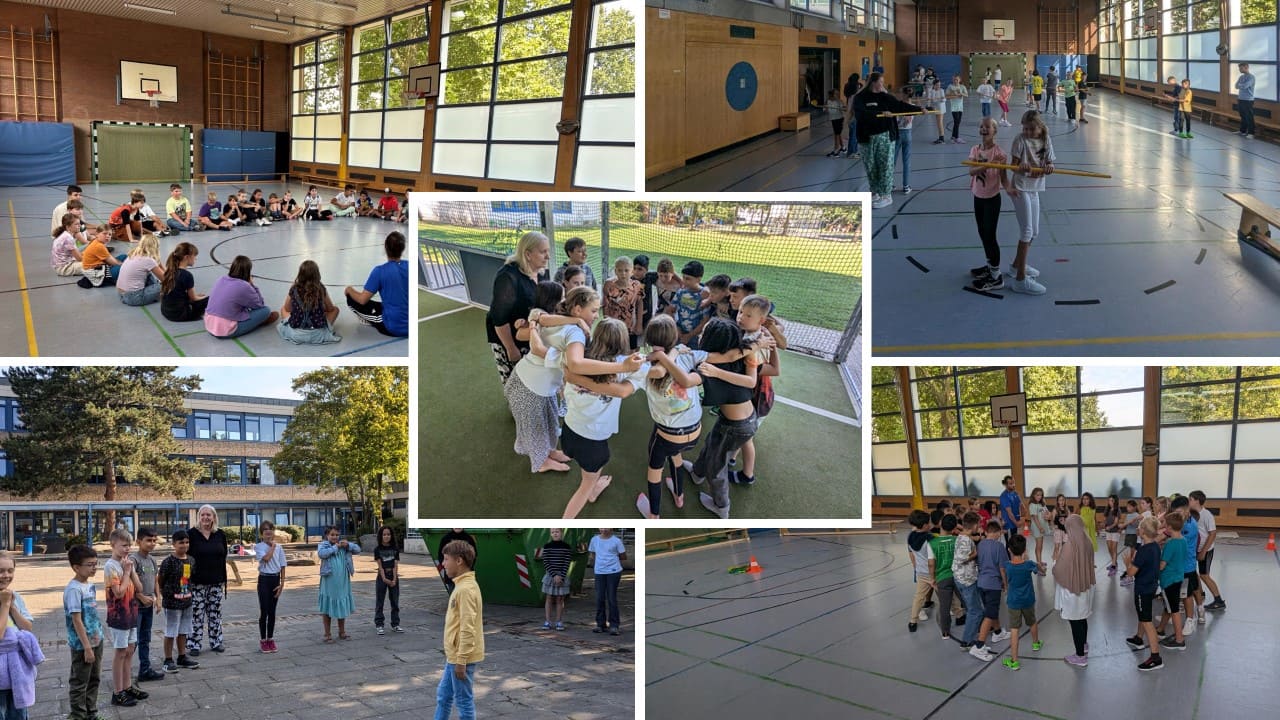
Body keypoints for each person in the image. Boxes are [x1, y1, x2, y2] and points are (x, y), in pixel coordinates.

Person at [515, 285, 636, 474]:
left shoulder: (556, 320)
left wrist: (534, 323)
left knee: (546, 423)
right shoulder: (575, 332)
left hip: (537, 383)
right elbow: (576, 364)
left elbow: (529, 333)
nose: (597, 315)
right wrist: (623, 367)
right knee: (535, 428)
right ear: (578, 310)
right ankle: (541, 462)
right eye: (594, 310)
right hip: (530, 385)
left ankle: (548, 452)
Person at [560, 319, 651, 518]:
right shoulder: (628, 366)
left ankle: (592, 488)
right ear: (623, 342)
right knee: (587, 483)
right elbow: (623, 391)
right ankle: (566, 520)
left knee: (589, 471)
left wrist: (575, 379)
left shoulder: (577, 359)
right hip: (592, 442)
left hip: (568, 432)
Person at [486, 232, 550, 382]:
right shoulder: (508, 276)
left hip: (528, 331)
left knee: (532, 376)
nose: (548, 256)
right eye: (543, 252)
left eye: (548, 251)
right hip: (507, 337)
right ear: (527, 254)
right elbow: (499, 317)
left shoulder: (541, 272)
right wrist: (510, 348)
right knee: (514, 378)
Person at [853, 72, 920, 209]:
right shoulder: (860, 98)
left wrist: (919, 109)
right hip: (866, 137)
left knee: (885, 166)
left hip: (885, 136)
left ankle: (886, 195)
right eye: (880, 82)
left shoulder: (885, 97)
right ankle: (875, 192)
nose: (882, 85)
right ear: (873, 82)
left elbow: (900, 106)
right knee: (871, 166)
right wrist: (880, 114)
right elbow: (861, 114)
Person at [1006, 110, 1055, 295]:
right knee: (1026, 231)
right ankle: (1020, 279)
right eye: (1024, 128)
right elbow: (1013, 166)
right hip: (1020, 187)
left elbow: (1049, 162)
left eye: (1031, 128)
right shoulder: (1020, 140)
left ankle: (1015, 267)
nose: (1027, 132)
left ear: (1040, 127)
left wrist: (1049, 167)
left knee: (1035, 232)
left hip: (1035, 188)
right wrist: (1021, 167)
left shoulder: (1046, 139)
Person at [436, 540, 484, 720]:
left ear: (459, 561)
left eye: (446, 559)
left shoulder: (465, 590)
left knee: (463, 701)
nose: (443, 563)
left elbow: (467, 628)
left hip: (461, 657)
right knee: (443, 695)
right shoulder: (461, 586)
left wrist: (461, 660)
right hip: (454, 656)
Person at [102, 529, 147, 708]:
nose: (127, 549)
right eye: (123, 545)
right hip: (118, 616)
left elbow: (140, 588)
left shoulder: (128, 563)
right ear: (113, 545)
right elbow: (119, 593)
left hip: (131, 613)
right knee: (120, 653)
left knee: (129, 651)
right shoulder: (110, 566)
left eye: (129, 545)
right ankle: (117, 691)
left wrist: (131, 570)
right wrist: (127, 572)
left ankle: (127, 686)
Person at [345, 230, 409, 338]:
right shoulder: (409, 265)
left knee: (351, 299)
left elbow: (362, 300)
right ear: (403, 249)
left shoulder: (379, 271)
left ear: (385, 248)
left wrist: (349, 290)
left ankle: (369, 319)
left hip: (393, 326)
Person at [65, 544, 104, 720]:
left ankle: (91, 713)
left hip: (97, 640)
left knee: (94, 679)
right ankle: (78, 715)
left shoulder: (89, 585)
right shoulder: (74, 589)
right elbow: (76, 620)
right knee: (80, 682)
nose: (94, 568)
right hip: (83, 645)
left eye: (96, 564)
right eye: (90, 564)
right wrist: (87, 647)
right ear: (76, 567)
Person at [0, 551, 39, 719]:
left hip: (18, 669)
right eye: (1, 570)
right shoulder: (7, 599)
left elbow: (27, 627)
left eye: (10, 570)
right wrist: (5, 604)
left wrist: (13, 607)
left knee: (18, 712)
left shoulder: (15, 597)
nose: (6, 575)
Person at [1123, 517, 1165, 671]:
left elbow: (1131, 573)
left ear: (1144, 532)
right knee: (1143, 614)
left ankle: (1155, 657)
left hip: (1143, 589)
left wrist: (1127, 563)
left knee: (1147, 620)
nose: (1137, 530)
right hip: (1151, 586)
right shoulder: (1155, 546)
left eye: (1139, 528)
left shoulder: (1143, 550)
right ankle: (1138, 638)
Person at [1054, 515, 1096, 667]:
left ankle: (1079, 656)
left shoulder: (1070, 545)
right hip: (1086, 586)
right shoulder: (1088, 541)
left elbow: (1059, 569)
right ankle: (1083, 645)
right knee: (1083, 617)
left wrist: (1054, 568)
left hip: (1073, 589)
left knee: (1075, 621)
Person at [186, 506, 228, 656]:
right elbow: (186, 558)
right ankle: (194, 644)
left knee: (215, 613)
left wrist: (223, 578)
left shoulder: (220, 534)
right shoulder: (191, 534)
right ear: (199, 517)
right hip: (197, 582)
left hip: (216, 581)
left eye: (208, 515)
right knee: (196, 613)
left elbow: (224, 555)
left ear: (214, 517)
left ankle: (216, 641)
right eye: (202, 514)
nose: (205, 517)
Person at [205, 256, 278, 339]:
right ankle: (259, 322)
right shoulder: (244, 286)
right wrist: (252, 284)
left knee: (241, 305)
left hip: (209, 324)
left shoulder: (221, 279)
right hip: (225, 330)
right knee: (266, 311)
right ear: (247, 272)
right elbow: (260, 305)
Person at [157, 530, 199, 673]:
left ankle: (182, 656)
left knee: (183, 630)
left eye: (187, 542)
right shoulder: (168, 562)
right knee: (171, 631)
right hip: (172, 603)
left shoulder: (191, 560)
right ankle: (168, 660)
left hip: (187, 601)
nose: (184, 545)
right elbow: (160, 580)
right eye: (181, 542)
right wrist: (165, 594)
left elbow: (191, 578)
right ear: (174, 544)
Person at [969, 521, 1010, 662]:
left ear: (987, 532)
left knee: (991, 610)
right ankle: (979, 646)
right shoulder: (1000, 546)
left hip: (981, 583)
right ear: (998, 533)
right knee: (989, 614)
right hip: (993, 584)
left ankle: (997, 632)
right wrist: (1006, 584)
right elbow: (1002, 569)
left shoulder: (980, 544)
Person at [1001, 534, 1042, 671]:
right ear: (1024, 550)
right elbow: (1041, 570)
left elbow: (1002, 572)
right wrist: (1037, 565)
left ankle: (1014, 660)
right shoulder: (1028, 564)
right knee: (1032, 621)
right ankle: (1036, 643)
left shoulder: (1007, 566)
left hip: (1014, 601)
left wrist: (1005, 585)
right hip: (1028, 599)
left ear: (1009, 550)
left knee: (1014, 629)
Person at [129, 528, 164, 684]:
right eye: (148, 540)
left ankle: (144, 669)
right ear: (138, 542)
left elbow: (156, 580)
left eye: (154, 540)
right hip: (135, 607)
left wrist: (158, 598)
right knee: (133, 641)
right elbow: (128, 583)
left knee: (145, 639)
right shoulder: (133, 560)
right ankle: (125, 673)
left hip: (148, 607)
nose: (152, 544)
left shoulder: (152, 560)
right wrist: (140, 596)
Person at [278, 260, 341, 344]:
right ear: (317, 275)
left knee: (283, 309)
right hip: (318, 334)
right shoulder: (320, 288)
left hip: (296, 334)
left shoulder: (294, 288)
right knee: (336, 310)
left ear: (300, 274)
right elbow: (330, 309)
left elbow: (287, 308)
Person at [317, 526, 360, 643]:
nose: (335, 537)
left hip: (343, 580)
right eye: (332, 535)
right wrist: (335, 547)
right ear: (327, 536)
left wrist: (349, 545)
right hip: (329, 580)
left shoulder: (344, 546)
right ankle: (327, 633)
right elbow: (321, 554)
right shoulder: (324, 545)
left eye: (337, 535)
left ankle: (342, 632)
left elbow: (357, 549)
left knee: (342, 604)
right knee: (327, 606)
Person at [1154, 511, 1188, 650]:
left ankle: (1179, 639)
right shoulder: (1183, 540)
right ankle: (1161, 629)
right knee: (1169, 606)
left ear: (1169, 527)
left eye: (1165, 525)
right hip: (1178, 578)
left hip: (1169, 580)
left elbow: (1162, 565)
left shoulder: (1171, 543)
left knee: (1173, 609)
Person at [929, 514, 965, 640]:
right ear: (954, 527)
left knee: (945, 606)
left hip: (942, 577)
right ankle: (976, 625)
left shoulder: (932, 543)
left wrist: (932, 578)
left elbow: (931, 564)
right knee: (966, 602)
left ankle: (945, 632)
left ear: (940, 524)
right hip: (958, 576)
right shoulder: (958, 540)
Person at [1188, 490, 1225, 613]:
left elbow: (1212, 533)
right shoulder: (1191, 513)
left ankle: (1218, 600)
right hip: (1195, 549)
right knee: (1193, 572)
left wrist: (1203, 551)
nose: (1189, 501)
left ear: (1197, 501)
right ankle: (1201, 593)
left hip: (1206, 549)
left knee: (1204, 575)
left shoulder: (1206, 515)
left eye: (1190, 499)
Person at [253, 520, 286, 653]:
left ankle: (270, 639)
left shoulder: (280, 548)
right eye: (265, 529)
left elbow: (283, 565)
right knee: (264, 611)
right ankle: (263, 640)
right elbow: (266, 559)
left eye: (270, 529)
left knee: (272, 612)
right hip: (264, 580)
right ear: (262, 533)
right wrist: (272, 547)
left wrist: (282, 583)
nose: (268, 531)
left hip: (275, 579)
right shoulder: (259, 546)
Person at [952, 511, 983, 649]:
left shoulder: (962, 536)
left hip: (964, 578)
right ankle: (967, 641)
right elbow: (961, 558)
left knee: (974, 608)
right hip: (966, 580)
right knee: (975, 611)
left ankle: (976, 631)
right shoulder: (965, 540)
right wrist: (975, 553)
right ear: (974, 525)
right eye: (979, 524)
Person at [589, 529, 627, 636]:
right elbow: (592, 554)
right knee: (599, 598)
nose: (604, 529)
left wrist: (611, 560)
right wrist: (600, 563)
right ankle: (600, 624)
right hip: (599, 572)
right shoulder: (594, 540)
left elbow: (623, 556)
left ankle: (614, 625)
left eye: (606, 527)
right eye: (602, 527)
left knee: (611, 598)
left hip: (613, 572)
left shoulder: (616, 541)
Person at [602, 256, 644, 347]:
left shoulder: (636, 285)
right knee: (613, 348)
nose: (623, 274)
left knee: (629, 349)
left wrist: (639, 324)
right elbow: (605, 304)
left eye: (626, 270)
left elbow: (639, 304)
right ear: (615, 271)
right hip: (613, 324)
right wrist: (606, 321)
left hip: (630, 325)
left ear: (632, 271)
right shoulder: (609, 284)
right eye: (620, 270)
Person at [160, 243, 208, 322]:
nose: (196, 259)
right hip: (179, 315)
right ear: (186, 257)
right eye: (194, 256)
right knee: (210, 299)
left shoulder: (169, 271)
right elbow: (194, 298)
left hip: (166, 311)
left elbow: (175, 292)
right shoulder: (187, 275)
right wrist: (204, 298)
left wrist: (194, 296)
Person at [117, 233, 165, 307]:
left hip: (122, 294)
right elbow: (166, 280)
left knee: (148, 273)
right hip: (134, 297)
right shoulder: (148, 260)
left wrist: (157, 261)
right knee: (168, 285)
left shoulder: (133, 254)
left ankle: (155, 290)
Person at [906, 510, 935, 632]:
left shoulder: (910, 537)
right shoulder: (930, 539)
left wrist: (915, 567)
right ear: (924, 525)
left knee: (918, 597)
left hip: (920, 572)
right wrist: (933, 576)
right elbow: (932, 560)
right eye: (929, 523)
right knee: (948, 595)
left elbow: (911, 554)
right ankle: (959, 613)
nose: (930, 525)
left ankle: (912, 621)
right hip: (932, 572)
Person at [672, 261, 711, 347]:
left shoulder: (704, 295)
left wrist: (689, 336)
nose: (684, 281)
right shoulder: (681, 292)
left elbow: (705, 320)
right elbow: (671, 310)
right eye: (683, 277)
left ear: (699, 279)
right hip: (679, 333)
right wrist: (677, 329)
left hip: (695, 337)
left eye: (688, 279)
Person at [540, 528, 572, 630]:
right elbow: (545, 562)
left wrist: (561, 576)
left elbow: (567, 563)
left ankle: (559, 621)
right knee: (549, 598)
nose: (555, 534)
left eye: (557, 532)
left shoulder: (566, 547)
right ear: (550, 534)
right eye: (553, 532)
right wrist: (554, 575)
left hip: (562, 576)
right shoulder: (547, 546)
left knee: (560, 599)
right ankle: (548, 621)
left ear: (561, 533)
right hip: (550, 575)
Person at [373, 526, 403, 635]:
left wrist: (394, 579)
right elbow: (380, 566)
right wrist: (385, 578)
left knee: (395, 601)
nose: (386, 536)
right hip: (382, 576)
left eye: (388, 534)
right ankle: (379, 624)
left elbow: (395, 565)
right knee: (380, 601)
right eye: (384, 534)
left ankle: (395, 624)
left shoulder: (395, 549)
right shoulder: (377, 549)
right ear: (381, 536)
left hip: (393, 575)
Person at [437, 530, 477, 595]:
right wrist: (447, 567)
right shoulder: (445, 538)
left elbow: (474, 556)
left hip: (464, 575)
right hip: (451, 577)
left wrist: (468, 568)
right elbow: (440, 556)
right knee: (453, 595)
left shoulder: (469, 538)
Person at [895, 86, 916, 194]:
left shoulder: (897, 106)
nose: (899, 94)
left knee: (892, 161)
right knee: (906, 161)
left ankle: (889, 184)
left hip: (898, 134)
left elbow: (902, 121)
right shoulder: (913, 106)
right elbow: (908, 120)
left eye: (900, 93)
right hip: (907, 134)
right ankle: (906, 186)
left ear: (904, 94)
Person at [1027, 487, 1049, 567]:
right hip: (1037, 528)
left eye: (1041, 495)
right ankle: (1038, 563)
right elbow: (1035, 518)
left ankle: (1040, 560)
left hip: (1042, 527)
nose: (1039, 497)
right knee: (1038, 546)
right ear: (1033, 495)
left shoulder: (1041, 504)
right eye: (1038, 495)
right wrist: (1040, 528)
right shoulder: (1032, 505)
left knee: (1041, 545)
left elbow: (1046, 512)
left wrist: (1048, 515)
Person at [998, 475, 1022, 543]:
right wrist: (1016, 523)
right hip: (1009, 524)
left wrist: (1020, 520)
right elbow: (1009, 513)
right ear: (1006, 485)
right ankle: (1008, 553)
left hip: (1015, 522)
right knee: (1010, 544)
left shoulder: (1015, 493)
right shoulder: (1004, 496)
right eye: (1011, 483)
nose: (1013, 485)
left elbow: (1021, 506)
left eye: (1014, 483)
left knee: (1015, 542)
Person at [1103, 494, 1123, 576]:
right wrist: (1104, 524)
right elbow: (1105, 519)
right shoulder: (1107, 509)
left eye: (1112, 501)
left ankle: (1114, 567)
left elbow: (1116, 522)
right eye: (1109, 500)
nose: (1110, 502)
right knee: (1109, 548)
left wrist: (1109, 527)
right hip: (1108, 532)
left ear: (1115, 501)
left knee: (1114, 549)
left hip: (1115, 531)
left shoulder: (1117, 510)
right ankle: (1114, 563)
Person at [945, 74, 969, 143]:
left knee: (957, 122)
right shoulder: (950, 86)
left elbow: (966, 95)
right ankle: (957, 137)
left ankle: (953, 137)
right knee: (956, 122)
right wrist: (953, 95)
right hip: (954, 107)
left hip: (960, 107)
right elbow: (946, 96)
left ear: (959, 80)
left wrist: (961, 94)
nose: (955, 81)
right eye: (954, 79)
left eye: (957, 79)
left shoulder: (962, 87)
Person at [824, 88, 846, 157]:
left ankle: (836, 151)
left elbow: (844, 109)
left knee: (836, 134)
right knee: (838, 134)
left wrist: (843, 108)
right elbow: (826, 110)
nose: (837, 95)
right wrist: (826, 108)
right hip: (833, 119)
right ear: (831, 95)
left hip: (839, 119)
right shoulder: (827, 101)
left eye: (837, 94)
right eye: (835, 94)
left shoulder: (839, 101)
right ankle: (843, 148)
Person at [1236, 63, 1256, 137]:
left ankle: (1251, 133)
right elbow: (1236, 86)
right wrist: (1241, 85)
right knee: (1243, 116)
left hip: (1248, 100)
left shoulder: (1251, 77)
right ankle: (1242, 131)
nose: (1240, 70)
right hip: (1240, 99)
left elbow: (1245, 86)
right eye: (1239, 68)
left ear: (1246, 67)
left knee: (1249, 117)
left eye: (1241, 68)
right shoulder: (1241, 77)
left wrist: (1240, 85)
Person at [926, 79, 947, 145]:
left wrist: (941, 99)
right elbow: (933, 101)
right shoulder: (932, 91)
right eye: (937, 85)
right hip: (936, 108)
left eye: (939, 85)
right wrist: (933, 99)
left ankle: (942, 139)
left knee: (940, 123)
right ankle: (941, 137)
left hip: (941, 109)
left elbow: (944, 100)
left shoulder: (942, 90)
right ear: (934, 85)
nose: (938, 86)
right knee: (939, 123)